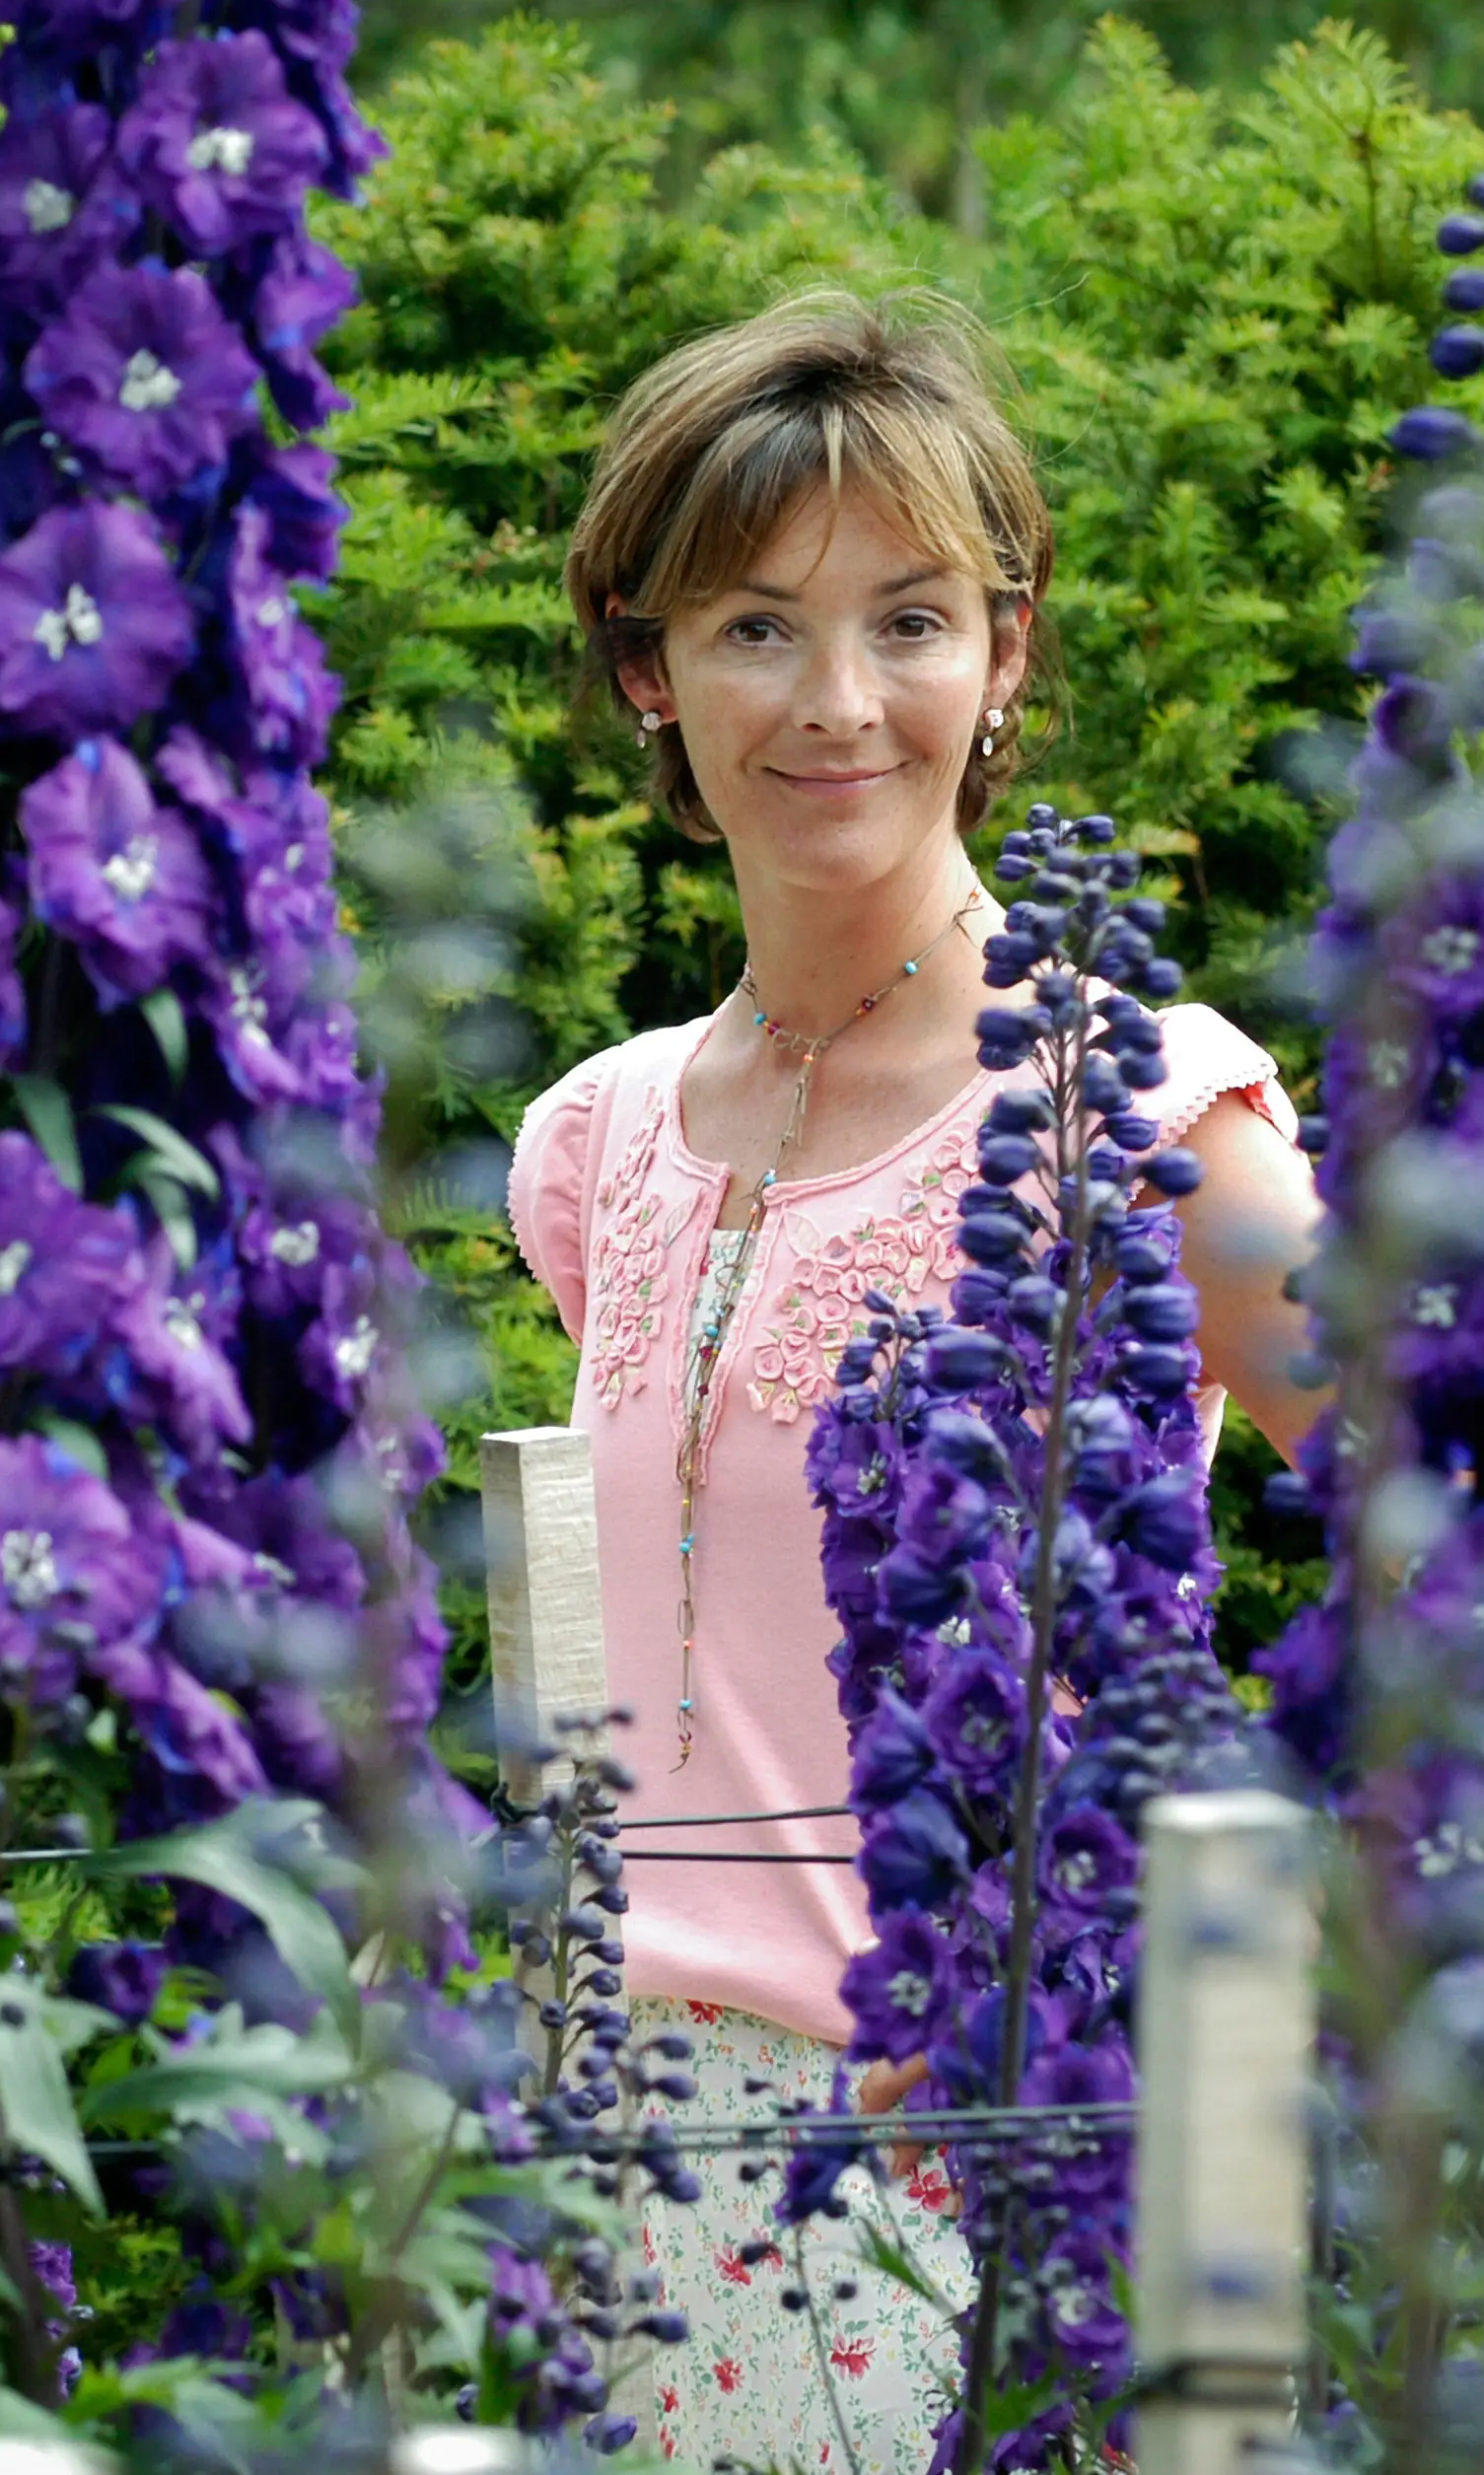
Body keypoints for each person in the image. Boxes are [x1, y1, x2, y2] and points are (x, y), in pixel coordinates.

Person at [506, 289, 1327, 2470]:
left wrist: (1193, 1949)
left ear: (1007, 654)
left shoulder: (1136, 1114)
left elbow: (1483, 1557)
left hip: (962, 2166)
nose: (839, 701)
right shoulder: (595, 1145)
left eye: (913, 620)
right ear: (648, 671)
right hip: (590, 2166)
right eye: (756, 628)